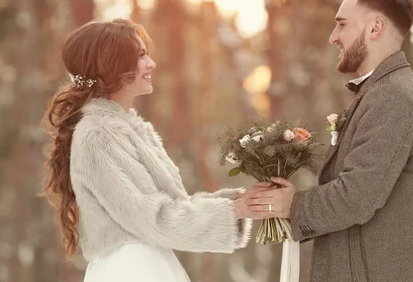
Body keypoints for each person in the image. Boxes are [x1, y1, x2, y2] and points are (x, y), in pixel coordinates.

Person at [247, 0, 413, 281]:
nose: (333, 37)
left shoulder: (391, 96)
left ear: (375, 28)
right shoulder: (383, 90)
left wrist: (295, 205)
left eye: (342, 24)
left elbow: (356, 197)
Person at [42, 19, 266, 281]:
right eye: (140, 56)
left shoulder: (128, 129)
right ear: (113, 64)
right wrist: (235, 211)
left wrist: (238, 204)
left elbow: (173, 207)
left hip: (147, 264)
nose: (151, 63)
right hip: (130, 270)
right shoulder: (99, 135)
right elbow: (153, 219)